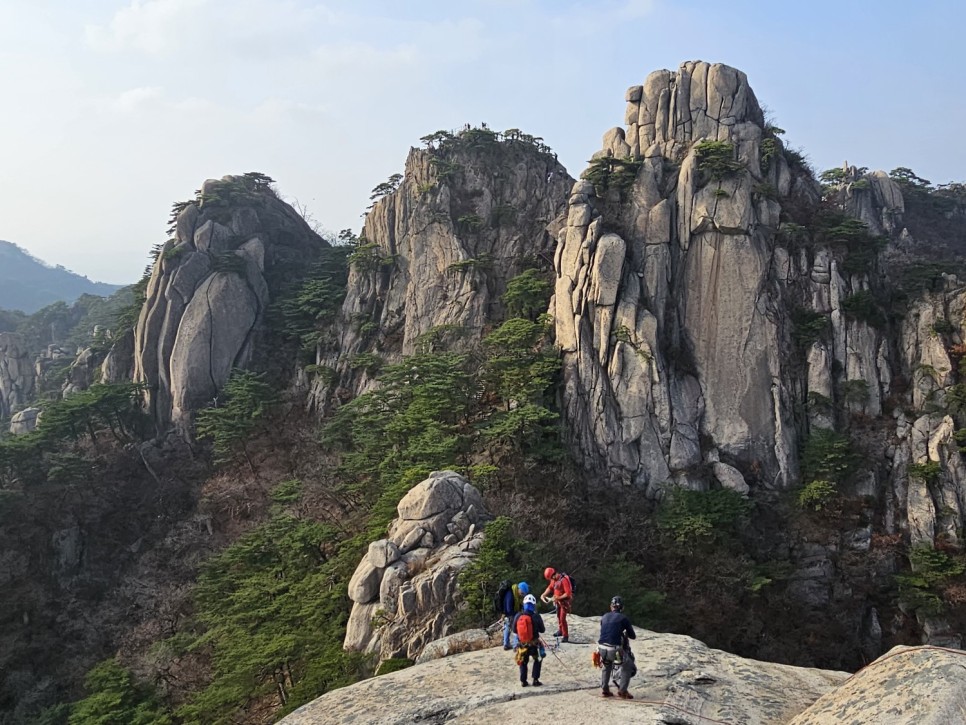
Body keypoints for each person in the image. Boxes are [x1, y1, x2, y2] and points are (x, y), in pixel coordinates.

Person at [597, 595, 636, 699]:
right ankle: (623, 691)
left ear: (611, 606)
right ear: (622, 608)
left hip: (601, 648)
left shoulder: (604, 616)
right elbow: (633, 636)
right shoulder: (623, 618)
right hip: (613, 649)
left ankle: (605, 690)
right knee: (628, 665)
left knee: (607, 665)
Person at [512, 594, 545, 687]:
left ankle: (523, 681)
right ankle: (535, 679)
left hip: (522, 644)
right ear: (533, 605)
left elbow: (514, 630)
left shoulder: (518, 615)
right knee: (537, 660)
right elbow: (543, 630)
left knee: (523, 662)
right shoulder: (536, 616)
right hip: (534, 644)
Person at [540, 567, 573, 643]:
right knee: (558, 616)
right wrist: (544, 594)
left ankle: (565, 635)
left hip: (564, 602)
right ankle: (561, 630)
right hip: (558, 602)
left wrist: (558, 597)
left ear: (553, 575)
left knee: (562, 618)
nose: (551, 579)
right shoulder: (554, 580)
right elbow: (550, 587)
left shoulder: (563, 580)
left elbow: (568, 593)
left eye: (551, 578)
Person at [502, 581, 530, 650]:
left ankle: (506, 644)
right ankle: (516, 645)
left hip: (507, 614)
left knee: (507, 627)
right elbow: (509, 609)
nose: (522, 595)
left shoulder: (515, 593)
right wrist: (518, 614)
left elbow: (520, 605)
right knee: (518, 627)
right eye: (522, 593)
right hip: (509, 613)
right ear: (519, 589)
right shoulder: (510, 594)